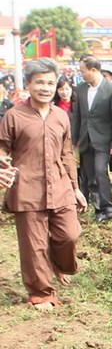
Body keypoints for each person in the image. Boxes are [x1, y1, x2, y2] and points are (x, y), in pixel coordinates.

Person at [0, 58, 87, 310]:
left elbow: (66, 154)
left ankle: (60, 264)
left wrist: (75, 187)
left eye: (50, 83)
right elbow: (3, 148)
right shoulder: (13, 116)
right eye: (39, 82)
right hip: (27, 188)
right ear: (28, 84)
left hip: (60, 186)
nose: (46, 88)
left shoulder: (61, 116)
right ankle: (40, 293)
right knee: (33, 245)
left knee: (69, 235)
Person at [70, 55, 112, 223]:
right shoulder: (81, 89)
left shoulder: (111, 89)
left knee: (101, 171)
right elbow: (77, 116)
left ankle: (109, 207)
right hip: (86, 138)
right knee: (90, 175)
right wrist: (74, 138)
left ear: (93, 70)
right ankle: (99, 209)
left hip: (103, 139)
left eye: (83, 71)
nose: (81, 74)